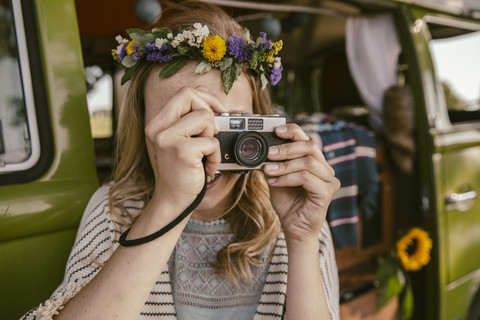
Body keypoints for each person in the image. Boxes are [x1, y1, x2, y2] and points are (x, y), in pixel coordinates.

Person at [22, 1, 340, 319]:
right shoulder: (114, 210)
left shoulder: (297, 215)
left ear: (260, 126)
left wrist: (302, 239)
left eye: (225, 125)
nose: (203, 151)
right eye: (179, 126)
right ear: (145, 130)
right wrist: (169, 204)